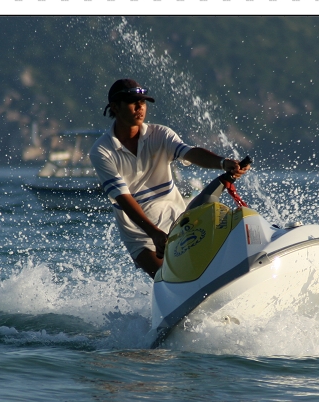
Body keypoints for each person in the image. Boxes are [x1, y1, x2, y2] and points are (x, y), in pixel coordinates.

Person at [90, 78, 250, 278]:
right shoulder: (102, 151)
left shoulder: (160, 134)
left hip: (178, 220)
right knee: (167, 278)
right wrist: (154, 233)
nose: (140, 107)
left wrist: (222, 163)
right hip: (140, 234)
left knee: (204, 270)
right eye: (133, 102)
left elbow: (190, 153)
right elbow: (124, 198)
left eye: (143, 102)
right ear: (115, 106)